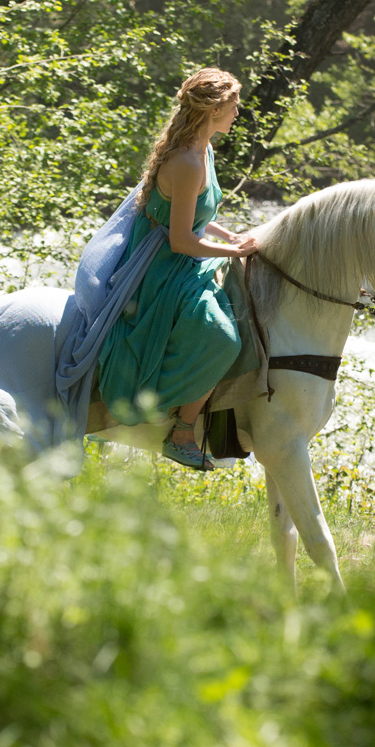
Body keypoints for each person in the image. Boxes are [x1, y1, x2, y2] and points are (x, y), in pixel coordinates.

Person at [95, 67, 258, 470]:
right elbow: (181, 240)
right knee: (224, 339)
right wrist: (236, 253)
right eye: (234, 104)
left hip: (186, 257)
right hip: (164, 269)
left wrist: (231, 236)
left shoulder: (205, 149)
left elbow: (199, 214)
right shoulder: (186, 161)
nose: (238, 111)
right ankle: (182, 430)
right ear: (214, 108)